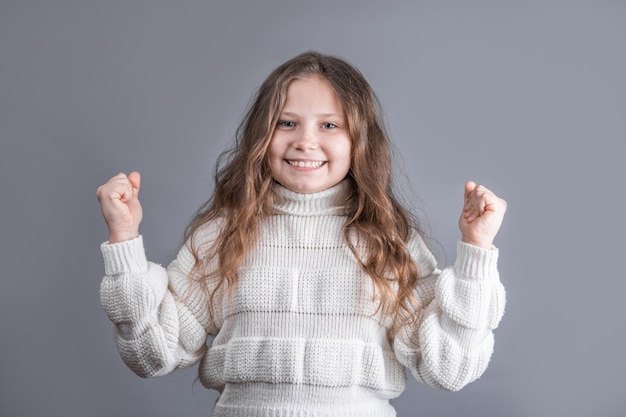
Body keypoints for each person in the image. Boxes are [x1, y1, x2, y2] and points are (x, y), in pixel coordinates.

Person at [96, 51, 507, 417]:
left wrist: (476, 251)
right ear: (262, 135)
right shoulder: (223, 234)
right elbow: (152, 355)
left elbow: (449, 369)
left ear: (359, 141)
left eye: (329, 124)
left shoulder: (389, 241)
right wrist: (124, 237)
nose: (305, 141)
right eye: (286, 122)